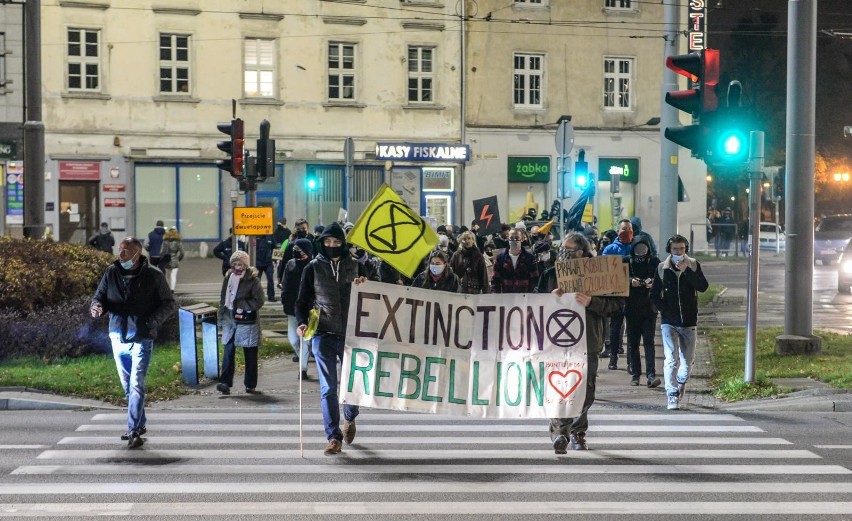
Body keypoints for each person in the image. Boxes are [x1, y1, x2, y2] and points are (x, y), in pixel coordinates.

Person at [537, 232, 623, 453]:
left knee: (585, 390)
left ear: (582, 252)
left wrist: (592, 302)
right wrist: (551, 297)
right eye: (562, 248)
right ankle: (560, 433)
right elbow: (535, 303)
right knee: (560, 388)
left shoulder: (600, 274)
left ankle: (578, 432)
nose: (563, 252)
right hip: (558, 342)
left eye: (569, 249)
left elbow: (616, 305)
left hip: (588, 341)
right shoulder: (550, 273)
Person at [90, 237, 175, 448]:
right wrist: (97, 307)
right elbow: (99, 296)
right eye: (120, 250)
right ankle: (140, 422)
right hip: (117, 334)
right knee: (128, 386)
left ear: (138, 254)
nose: (121, 254)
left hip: (141, 336)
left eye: (126, 251)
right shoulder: (112, 272)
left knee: (137, 383)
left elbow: (169, 303)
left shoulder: (153, 275)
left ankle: (133, 430)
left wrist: (151, 322)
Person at [295, 222, 368, 455]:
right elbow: (302, 300)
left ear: (343, 244)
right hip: (323, 333)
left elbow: (374, 295)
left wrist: (364, 284)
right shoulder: (313, 268)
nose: (332, 246)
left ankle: (350, 416)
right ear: (322, 243)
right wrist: (302, 322)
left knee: (353, 384)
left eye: (337, 242)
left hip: (351, 334)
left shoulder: (357, 266)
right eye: (328, 242)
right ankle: (333, 437)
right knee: (328, 388)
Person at [650, 235, 709, 410]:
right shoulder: (662, 268)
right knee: (671, 359)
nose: (678, 252)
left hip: (689, 321)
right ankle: (672, 394)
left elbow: (703, 286)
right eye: (675, 249)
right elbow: (654, 294)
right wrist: (664, 310)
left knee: (687, 361)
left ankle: (681, 381)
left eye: (682, 249)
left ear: (686, 249)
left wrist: (687, 272)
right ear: (670, 250)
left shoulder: (693, 265)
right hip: (669, 321)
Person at [216, 250, 265, 395]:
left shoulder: (253, 279)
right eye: (235, 264)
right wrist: (221, 317)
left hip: (247, 320)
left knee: (249, 351)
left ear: (246, 265)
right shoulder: (228, 277)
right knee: (228, 350)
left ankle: (250, 384)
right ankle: (224, 382)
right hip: (230, 319)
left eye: (240, 264)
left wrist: (241, 305)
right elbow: (223, 298)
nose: (237, 267)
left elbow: (259, 300)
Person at [625, 237, 661, 388]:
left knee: (648, 342)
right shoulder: (626, 261)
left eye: (644, 248)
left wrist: (652, 283)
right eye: (638, 248)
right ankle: (635, 374)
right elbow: (618, 278)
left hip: (649, 308)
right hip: (631, 307)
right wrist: (631, 281)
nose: (641, 252)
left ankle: (651, 374)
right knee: (633, 343)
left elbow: (660, 279)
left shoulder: (654, 261)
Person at [281, 238, 314, 379]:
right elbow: (285, 282)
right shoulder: (291, 265)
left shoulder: (314, 266)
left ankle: (303, 369)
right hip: (292, 308)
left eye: (300, 250)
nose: (297, 252)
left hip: (309, 310)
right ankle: (304, 356)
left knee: (305, 339)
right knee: (294, 340)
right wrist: (284, 298)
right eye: (295, 249)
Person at [602, 219, 632, 370]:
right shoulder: (610, 249)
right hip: (616, 294)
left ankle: (630, 361)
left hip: (633, 296)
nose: (626, 231)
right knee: (615, 328)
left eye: (628, 228)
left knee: (632, 330)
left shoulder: (636, 247)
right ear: (618, 230)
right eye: (623, 229)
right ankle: (613, 358)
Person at [491, 228, 539, 293]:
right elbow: (495, 280)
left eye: (517, 238)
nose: (514, 240)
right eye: (511, 238)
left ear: (522, 239)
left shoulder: (529, 258)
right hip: (507, 297)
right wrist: (496, 297)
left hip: (524, 298)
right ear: (508, 238)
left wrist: (530, 297)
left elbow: (534, 280)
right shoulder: (500, 258)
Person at [161, 226, 184, 292]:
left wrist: (161, 259)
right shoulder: (178, 241)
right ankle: (172, 289)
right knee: (173, 275)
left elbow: (162, 252)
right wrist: (178, 259)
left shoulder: (165, 241)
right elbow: (182, 253)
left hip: (167, 260)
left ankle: (167, 288)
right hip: (175, 260)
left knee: (167, 275)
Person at [254, 234, 276, 302]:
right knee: (256, 281)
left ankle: (271, 296)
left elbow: (275, 248)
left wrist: (275, 261)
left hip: (268, 262)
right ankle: (256, 297)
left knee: (270, 280)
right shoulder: (255, 236)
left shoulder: (270, 236)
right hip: (258, 263)